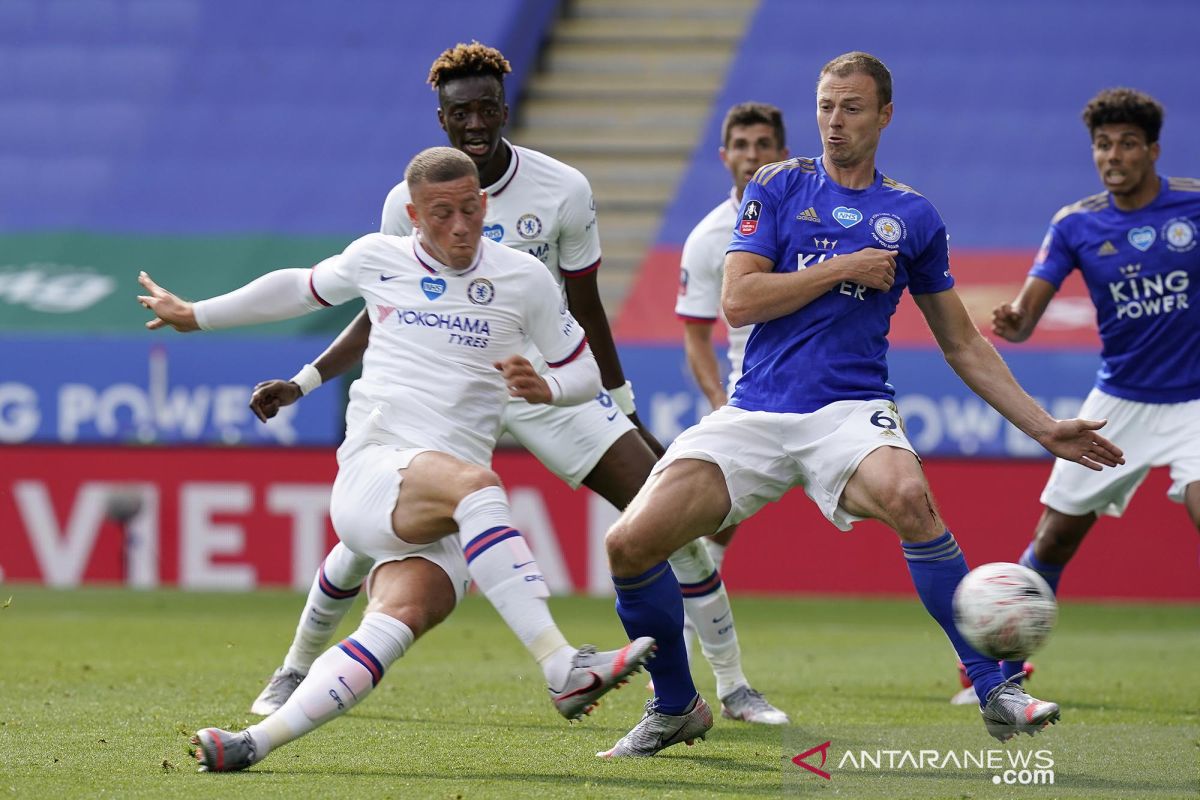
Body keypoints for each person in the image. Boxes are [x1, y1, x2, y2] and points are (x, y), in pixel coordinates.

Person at [596, 52, 1127, 758]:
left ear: (884, 114)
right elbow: (738, 299)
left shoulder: (911, 215)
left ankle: (996, 690)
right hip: (756, 410)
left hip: (849, 412)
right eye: (824, 105)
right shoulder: (778, 186)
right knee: (628, 543)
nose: (834, 121)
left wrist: (1044, 427)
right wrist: (843, 267)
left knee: (910, 498)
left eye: (850, 107)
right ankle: (674, 706)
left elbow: (962, 342)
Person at [247, 42, 787, 727]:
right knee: (364, 540)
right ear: (441, 119)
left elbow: (586, 306)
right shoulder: (407, 200)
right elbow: (377, 313)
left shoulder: (562, 188)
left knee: (664, 517)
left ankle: (733, 686)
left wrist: (617, 404)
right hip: (445, 391)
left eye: (484, 110)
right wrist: (305, 379)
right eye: (458, 112)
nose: (473, 124)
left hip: (543, 384)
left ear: (505, 111)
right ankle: (294, 668)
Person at [138, 147, 655, 772]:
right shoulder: (376, 259)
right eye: (442, 214)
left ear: (485, 203)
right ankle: (559, 665)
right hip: (376, 469)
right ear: (413, 215)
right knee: (475, 484)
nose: (460, 225)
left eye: (470, 209)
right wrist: (197, 315)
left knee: (397, 619)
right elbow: (298, 289)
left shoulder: (524, 279)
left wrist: (548, 387)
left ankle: (253, 742)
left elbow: (584, 370)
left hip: (442, 510)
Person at [952, 87, 1198, 701]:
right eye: (1103, 144)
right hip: (1120, 402)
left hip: (1196, 399)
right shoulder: (1076, 223)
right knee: (1058, 536)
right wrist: (1015, 321)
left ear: (1153, 150)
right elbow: (1031, 310)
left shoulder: (1194, 206)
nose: (1114, 155)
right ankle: (999, 673)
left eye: (1128, 144)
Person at [674, 101, 788, 572]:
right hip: (753, 394)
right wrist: (719, 398)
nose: (751, 155)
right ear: (725, 156)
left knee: (893, 494)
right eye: (741, 146)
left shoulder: (814, 215)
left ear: (781, 153)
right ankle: (687, 620)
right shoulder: (707, 239)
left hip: (827, 389)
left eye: (763, 145)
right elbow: (697, 337)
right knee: (702, 509)